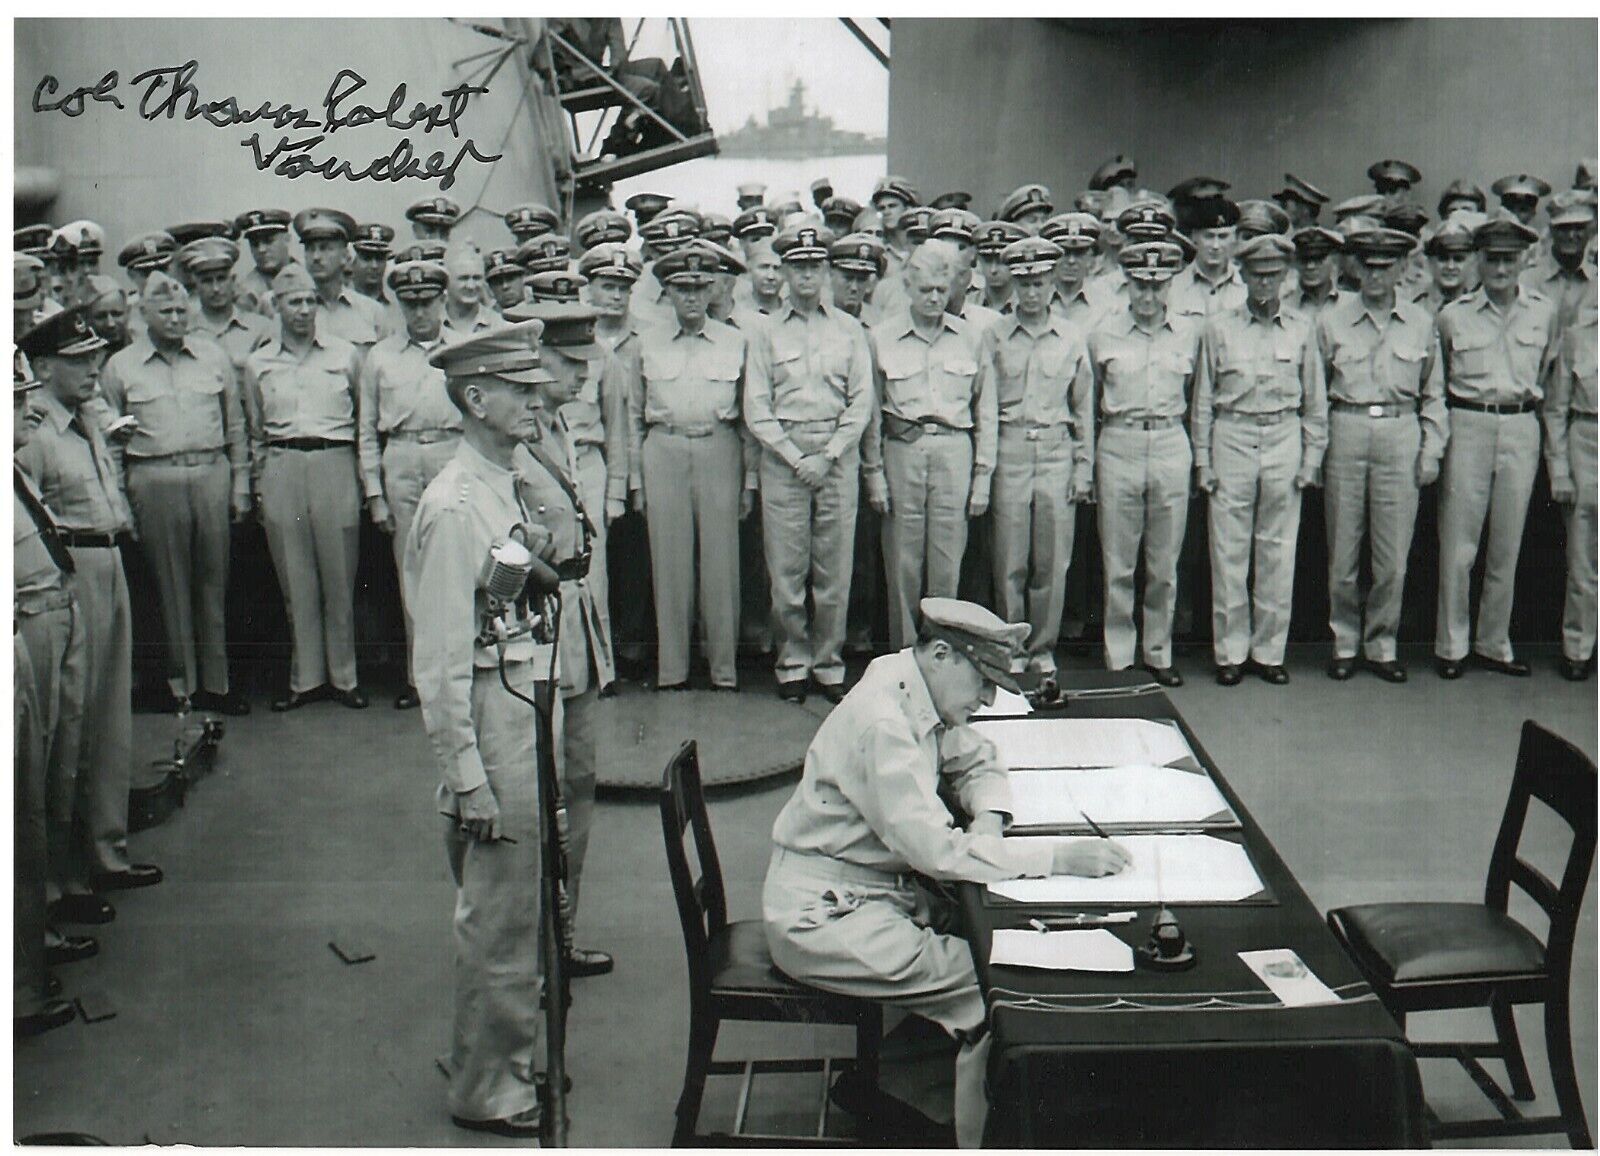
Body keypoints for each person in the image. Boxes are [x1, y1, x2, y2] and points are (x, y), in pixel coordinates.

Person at [763, 596, 1130, 1149]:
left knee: (997, 941)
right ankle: (977, 1137)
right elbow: (936, 852)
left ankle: (893, 1087)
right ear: (941, 654)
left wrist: (987, 816)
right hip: (823, 913)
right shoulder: (884, 723)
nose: (988, 697)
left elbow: (975, 757)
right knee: (993, 987)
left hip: (870, 887)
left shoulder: (908, 680)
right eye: (983, 680)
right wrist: (1056, 858)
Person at [405, 320, 554, 1139]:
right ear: (475, 397)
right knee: (497, 916)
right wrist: (468, 780)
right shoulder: (457, 507)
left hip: (523, 698)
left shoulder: (506, 478)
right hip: (495, 718)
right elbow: (439, 663)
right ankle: (487, 1089)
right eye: (520, 388)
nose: (537, 398)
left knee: (520, 902)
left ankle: (501, 1055)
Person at [16, 305, 163, 922]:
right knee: (67, 729)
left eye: (94, 359)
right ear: (41, 365)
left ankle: (105, 852)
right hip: (67, 573)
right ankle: (59, 880)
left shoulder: (88, 420)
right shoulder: (34, 431)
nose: (91, 370)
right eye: (76, 362)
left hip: (108, 560)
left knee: (107, 717)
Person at [517, 302, 619, 978]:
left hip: (577, 622)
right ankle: (527, 940)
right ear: (537, 361)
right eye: (571, 364)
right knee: (538, 785)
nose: (585, 377)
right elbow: (497, 549)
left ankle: (563, 931)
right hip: (537, 629)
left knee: (579, 778)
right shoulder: (512, 440)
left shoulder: (558, 425)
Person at [98, 271, 251, 714]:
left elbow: (235, 425)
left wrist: (240, 485)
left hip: (209, 472)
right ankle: (181, 687)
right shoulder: (121, 367)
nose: (175, 318)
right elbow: (108, 443)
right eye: (165, 311)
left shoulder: (213, 357)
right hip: (153, 477)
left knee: (213, 584)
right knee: (169, 587)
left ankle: (217, 685)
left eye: (182, 310)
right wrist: (120, 502)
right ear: (143, 314)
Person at [744, 224, 874, 701]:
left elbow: (861, 403)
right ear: (782, 271)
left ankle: (829, 663)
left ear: (825, 270)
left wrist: (830, 454)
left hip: (836, 455)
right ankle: (792, 662)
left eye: (813, 266)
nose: (805, 276)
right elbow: (756, 406)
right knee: (786, 573)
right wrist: (799, 457)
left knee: (834, 571)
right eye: (796, 266)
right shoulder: (764, 333)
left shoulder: (848, 329)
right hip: (784, 457)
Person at [1192, 234, 1327, 686]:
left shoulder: (1303, 328)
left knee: (1276, 549)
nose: (1265, 283)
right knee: (1229, 550)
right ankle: (1230, 652)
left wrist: (1311, 460)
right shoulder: (1219, 327)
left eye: (1273, 274)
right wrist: (1204, 462)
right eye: (1256, 274)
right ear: (1243, 276)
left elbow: (1315, 402)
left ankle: (1268, 652)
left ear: (1285, 276)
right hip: (1233, 433)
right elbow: (1204, 400)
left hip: (1283, 434)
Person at [1314, 226, 1447, 683]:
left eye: (1385, 266)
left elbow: (1434, 394)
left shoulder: (1420, 322)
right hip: (1346, 427)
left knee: (1392, 554)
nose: (1375, 275)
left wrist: (1432, 449)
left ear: (1401, 269)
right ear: (1355, 268)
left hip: (1399, 428)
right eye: (1367, 265)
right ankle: (1344, 642)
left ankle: (1382, 643)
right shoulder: (1332, 321)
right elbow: (1313, 391)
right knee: (1343, 550)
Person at [1433, 212, 1559, 679]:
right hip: (1468, 422)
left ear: (1524, 260)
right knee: (1459, 544)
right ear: (1478, 262)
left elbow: (1548, 371)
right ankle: (1451, 646)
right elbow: (1440, 379)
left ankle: (1493, 642)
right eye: (1491, 260)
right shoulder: (1453, 315)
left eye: (1509, 260)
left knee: (1506, 542)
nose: (1501, 270)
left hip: (1521, 424)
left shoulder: (1543, 312)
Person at [628, 243, 754, 691]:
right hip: (664, 450)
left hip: (719, 449)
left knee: (721, 567)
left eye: (700, 288)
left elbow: (748, 418)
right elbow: (632, 415)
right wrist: (635, 481)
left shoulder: (736, 341)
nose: (692, 298)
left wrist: (750, 481)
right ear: (668, 292)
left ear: (714, 289)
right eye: (682, 289)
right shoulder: (646, 344)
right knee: (670, 565)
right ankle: (673, 670)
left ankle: (723, 670)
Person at [243, 265, 368, 711]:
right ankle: (306, 680)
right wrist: (259, 485)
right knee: (295, 580)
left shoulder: (345, 355)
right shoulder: (258, 363)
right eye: (293, 301)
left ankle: (345, 677)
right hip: (282, 465)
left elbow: (362, 420)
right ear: (275, 307)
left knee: (339, 578)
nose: (303, 310)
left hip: (335, 462)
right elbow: (255, 431)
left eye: (309, 301)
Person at [864, 241, 996, 653]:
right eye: (926, 290)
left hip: (955, 451)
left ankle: (943, 653)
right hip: (902, 451)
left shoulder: (971, 338)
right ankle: (905, 654)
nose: (935, 298)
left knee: (946, 562)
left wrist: (982, 479)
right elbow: (871, 414)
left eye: (942, 290)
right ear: (909, 286)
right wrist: (874, 475)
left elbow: (986, 410)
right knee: (902, 561)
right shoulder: (881, 338)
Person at [979, 236, 1094, 678]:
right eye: (1023, 283)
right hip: (1010, 447)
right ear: (1012, 283)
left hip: (1054, 449)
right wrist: (985, 469)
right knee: (1010, 558)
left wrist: (1083, 466)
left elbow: (1083, 407)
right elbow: (985, 406)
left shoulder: (1071, 337)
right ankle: (1012, 645)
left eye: (1040, 283)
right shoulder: (994, 335)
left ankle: (1044, 645)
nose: (1031, 292)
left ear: (1052, 285)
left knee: (1051, 559)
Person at [14, 359, 86, 1038]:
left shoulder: (16, 469)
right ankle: (22, 990)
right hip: (20, 631)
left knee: (39, 797)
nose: (30, 412)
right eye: (15, 400)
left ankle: (35, 949)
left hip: (41, 620)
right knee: (19, 818)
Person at [1088, 240, 1199, 685]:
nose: (1148, 297)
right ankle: (1119, 655)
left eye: (1157, 287)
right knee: (1119, 561)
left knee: (1163, 561)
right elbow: (1091, 398)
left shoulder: (1189, 333)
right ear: (1127, 285)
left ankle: (1158, 652)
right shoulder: (1103, 333)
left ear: (1169, 285)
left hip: (1171, 438)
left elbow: (1196, 397)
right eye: (1139, 286)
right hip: (1120, 441)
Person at [357, 260, 461, 710]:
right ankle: (421, 680)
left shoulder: (463, 348)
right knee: (411, 570)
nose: (420, 312)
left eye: (427, 302)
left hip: (451, 452)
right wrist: (375, 495)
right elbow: (366, 430)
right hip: (400, 457)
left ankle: (460, 670)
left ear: (442, 301)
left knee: (457, 562)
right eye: (411, 304)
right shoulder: (380, 357)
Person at [1544, 284, 1599, 681]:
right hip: (1587, 440)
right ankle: (1578, 646)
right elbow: (1556, 409)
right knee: (1582, 558)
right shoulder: (1578, 337)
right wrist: (1560, 469)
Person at [295, 209, 389, 362]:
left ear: (345, 256)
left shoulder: (372, 311)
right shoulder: (293, 310)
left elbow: (382, 371)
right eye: (310, 249)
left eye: (325, 248)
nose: (316, 257)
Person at [234, 208, 294, 318]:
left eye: (268, 241)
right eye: (255, 244)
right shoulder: (246, 294)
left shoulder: (311, 278)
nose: (261, 249)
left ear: (287, 239)